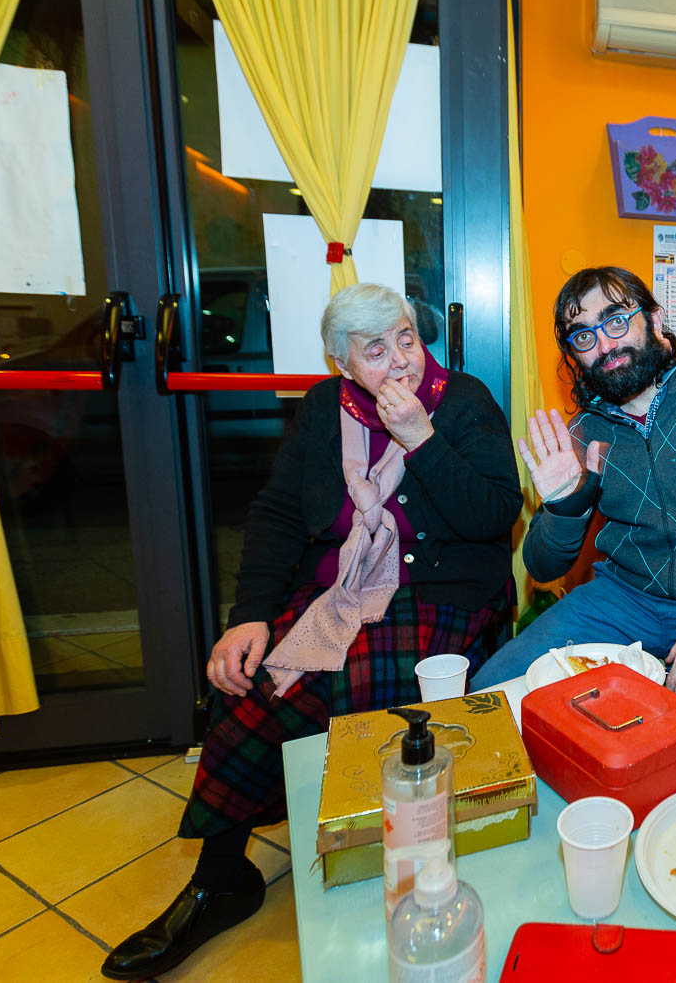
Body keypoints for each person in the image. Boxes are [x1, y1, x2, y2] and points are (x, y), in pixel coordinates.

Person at [103, 283, 520, 981]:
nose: (401, 360)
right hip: (337, 589)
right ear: (341, 363)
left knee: (365, 684)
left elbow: (493, 514)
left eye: (407, 338)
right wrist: (248, 618)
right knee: (253, 686)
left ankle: (388, 868)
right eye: (376, 349)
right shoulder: (324, 409)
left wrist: (421, 439)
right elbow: (276, 515)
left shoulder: (464, 400)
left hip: (437, 590)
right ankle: (219, 879)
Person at [469, 266, 676, 742]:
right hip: (620, 602)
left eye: (615, 320)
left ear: (655, 318)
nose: (605, 345)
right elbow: (542, 566)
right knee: (489, 698)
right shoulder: (583, 434)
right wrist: (563, 504)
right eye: (583, 336)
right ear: (573, 354)